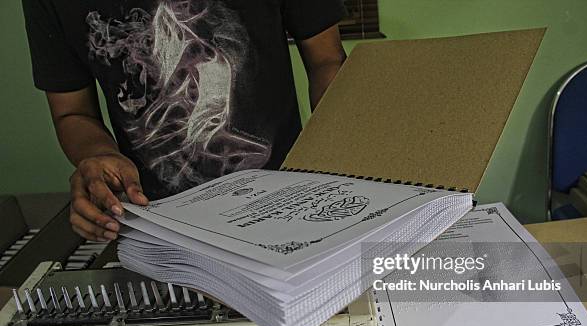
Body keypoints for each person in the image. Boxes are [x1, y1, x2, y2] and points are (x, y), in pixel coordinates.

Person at [22, 0, 347, 242]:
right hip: (160, 231)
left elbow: (327, 61)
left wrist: (341, 158)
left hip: (288, 208)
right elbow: (72, 113)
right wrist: (97, 156)